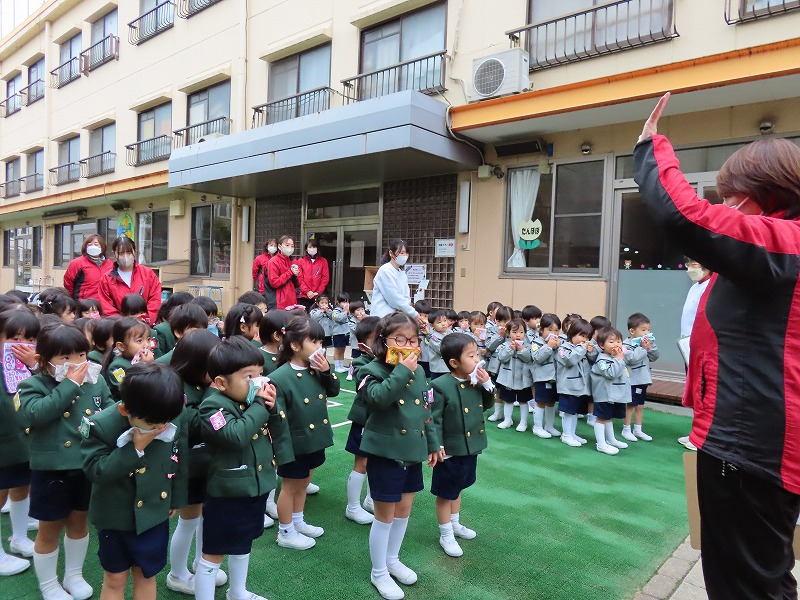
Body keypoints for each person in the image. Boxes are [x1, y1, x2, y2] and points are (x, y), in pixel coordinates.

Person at [635, 91, 800, 599]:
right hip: (751, 435)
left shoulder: (783, 240)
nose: (726, 206)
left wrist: (650, 147)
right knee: (761, 575)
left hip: (751, 446)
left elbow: (683, 215)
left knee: (744, 584)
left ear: (767, 191)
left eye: (733, 195)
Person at [18, 322, 114, 600]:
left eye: (81, 356)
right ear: (43, 360)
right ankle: (49, 584)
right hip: (52, 469)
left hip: (85, 464)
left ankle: (74, 574)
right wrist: (71, 384)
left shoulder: (97, 380)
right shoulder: (32, 384)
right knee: (49, 529)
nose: (76, 364)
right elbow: (36, 414)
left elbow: (107, 410)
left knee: (79, 522)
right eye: (65, 358)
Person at [81, 362, 187, 600]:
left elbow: (180, 458)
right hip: (115, 515)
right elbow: (94, 469)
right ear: (125, 410)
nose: (161, 428)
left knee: (147, 574)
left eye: (165, 422)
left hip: (154, 511)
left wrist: (176, 498)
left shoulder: (170, 413)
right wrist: (133, 449)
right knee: (115, 578)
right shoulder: (101, 425)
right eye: (152, 425)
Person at [196, 337, 291, 600]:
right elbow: (235, 435)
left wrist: (272, 408)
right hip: (228, 491)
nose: (258, 382)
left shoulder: (251, 400)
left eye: (260, 375)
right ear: (220, 382)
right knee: (213, 553)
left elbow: (278, 430)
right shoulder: (212, 406)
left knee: (243, 543)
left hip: (254, 485)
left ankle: (237, 592)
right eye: (249, 376)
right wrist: (260, 405)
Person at [358, 313, 440, 600]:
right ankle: (378, 571)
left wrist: (433, 443)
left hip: (412, 451)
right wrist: (402, 370)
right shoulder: (371, 369)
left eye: (413, 340)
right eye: (399, 339)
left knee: (404, 509)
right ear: (384, 340)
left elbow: (426, 411)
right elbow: (378, 398)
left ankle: (392, 559)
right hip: (385, 452)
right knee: (385, 514)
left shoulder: (418, 370)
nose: (407, 345)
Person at [164, 330, 226, 595]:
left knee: (205, 519)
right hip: (187, 470)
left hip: (207, 466)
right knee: (188, 522)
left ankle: (201, 566)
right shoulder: (176, 388)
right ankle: (177, 574)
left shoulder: (201, 385)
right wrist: (214, 396)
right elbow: (194, 425)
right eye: (210, 368)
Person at [270, 317, 338, 551]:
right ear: (295, 346)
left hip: (313, 440)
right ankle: (286, 531)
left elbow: (334, 391)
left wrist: (327, 371)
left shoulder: (317, 369)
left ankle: (298, 521)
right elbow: (278, 421)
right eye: (313, 341)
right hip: (294, 443)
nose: (319, 346)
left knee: (304, 481)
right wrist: (283, 451)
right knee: (290, 486)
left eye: (321, 341)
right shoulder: (280, 377)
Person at [430, 333, 495, 558]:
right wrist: (436, 444)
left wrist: (487, 384)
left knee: (458, 487)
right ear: (454, 363)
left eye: (477, 354)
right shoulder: (440, 385)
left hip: (470, 446)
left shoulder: (474, 380)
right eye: (471, 356)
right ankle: (445, 533)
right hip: (449, 449)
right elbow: (434, 419)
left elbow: (487, 407)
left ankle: (455, 524)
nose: (477, 359)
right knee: (445, 493)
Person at [0, 309, 40, 576]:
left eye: (29, 339)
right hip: (3, 443)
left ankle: (19, 535)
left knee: (22, 486)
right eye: (13, 338)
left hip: (26, 441)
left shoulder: (33, 366)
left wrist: (34, 364)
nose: (21, 345)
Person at [343, 316, 381, 525]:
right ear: (363, 346)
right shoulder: (360, 363)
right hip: (365, 421)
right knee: (362, 463)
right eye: (378, 340)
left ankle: (370, 499)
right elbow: (365, 387)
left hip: (381, 421)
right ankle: (353, 506)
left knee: (376, 462)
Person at [678, 258, 712, 451]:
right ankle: (695, 433)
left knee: (702, 391)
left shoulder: (712, 285)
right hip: (688, 346)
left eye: (695, 264)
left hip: (701, 348)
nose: (690, 268)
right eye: (688, 264)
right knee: (694, 390)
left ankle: (702, 436)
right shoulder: (695, 287)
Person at [98, 237, 162, 324]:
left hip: (147, 327)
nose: (125, 257)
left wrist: (145, 320)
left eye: (128, 252)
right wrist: (124, 324)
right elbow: (107, 307)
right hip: (120, 328)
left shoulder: (147, 273)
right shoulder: (107, 279)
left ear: (134, 252)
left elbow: (155, 300)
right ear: (114, 253)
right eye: (121, 253)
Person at [590, 327, 631, 456]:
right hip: (604, 395)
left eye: (619, 341)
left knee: (609, 417)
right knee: (601, 418)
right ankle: (601, 444)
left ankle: (611, 439)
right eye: (612, 342)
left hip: (614, 395)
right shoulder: (601, 360)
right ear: (602, 345)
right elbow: (611, 373)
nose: (616, 345)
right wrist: (619, 359)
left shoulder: (617, 357)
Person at [554, 319, 594, 448]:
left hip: (581, 387)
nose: (584, 339)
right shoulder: (563, 348)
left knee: (576, 411)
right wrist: (582, 349)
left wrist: (591, 351)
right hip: (568, 387)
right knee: (569, 411)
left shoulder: (581, 348)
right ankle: (566, 435)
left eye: (587, 337)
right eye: (582, 336)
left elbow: (593, 359)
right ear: (572, 334)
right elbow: (569, 360)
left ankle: (572, 433)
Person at [370, 239, 427, 329]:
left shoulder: (401, 272)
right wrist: (413, 313)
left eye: (406, 253)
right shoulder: (385, 270)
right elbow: (393, 298)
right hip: (382, 319)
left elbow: (405, 296)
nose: (404, 256)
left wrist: (405, 308)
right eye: (401, 253)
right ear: (391, 253)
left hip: (395, 319)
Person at [621, 313, 659, 442]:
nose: (646, 333)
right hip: (632, 380)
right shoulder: (625, 345)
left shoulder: (646, 343)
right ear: (632, 331)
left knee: (640, 405)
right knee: (630, 405)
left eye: (648, 329)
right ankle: (626, 429)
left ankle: (638, 429)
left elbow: (655, 357)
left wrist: (650, 347)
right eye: (643, 330)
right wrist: (642, 348)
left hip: (643, 379)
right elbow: (631, 359)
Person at [494, 317, 533, 431]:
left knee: (523, 401)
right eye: (514, 332)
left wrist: (521, 350)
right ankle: (507, 420)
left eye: (521, 332)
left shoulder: (528, 346)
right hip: (508, 379)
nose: (518, 335)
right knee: (508, 400)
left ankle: (523, 422)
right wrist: (510, 349)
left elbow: (529, 358)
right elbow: (501, 358)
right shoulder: (504, 345)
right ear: (508, 333)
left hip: (523, 379)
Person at [102, 317, 154, 401]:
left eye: (148, 340)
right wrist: (145, 366)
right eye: (139, 341)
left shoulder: (142, 359)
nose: (146, 345)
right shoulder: (116, 367)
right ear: (121, 346)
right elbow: (130, 392)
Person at [530, 313, 562, 439]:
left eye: (556, 330)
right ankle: (537, 427)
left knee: (551, 402)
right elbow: (537, 358)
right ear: (541, 330)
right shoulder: (536, 342)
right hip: (542, 378)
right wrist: (549, 346)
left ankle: (549, 426)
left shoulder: (559, 343)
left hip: (555, 378)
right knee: (541, 402)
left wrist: (558, 348)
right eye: (550, 330)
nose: (553, 333)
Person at [63, 234, 114, 302]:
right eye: (89, 244)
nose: (93, 247)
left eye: (96, 244)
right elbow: (68, 284)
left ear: (102, 246)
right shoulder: (77, 263)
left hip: (105, 305)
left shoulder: (110, 264)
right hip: (84, 305)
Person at [268, 236, 301, 310]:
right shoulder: (273, 261)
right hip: (279, 302)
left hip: (292, 300)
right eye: (287, 245)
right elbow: (274, 282)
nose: (290, 248)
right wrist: (290, 272)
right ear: (279, 246)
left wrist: (296, 276)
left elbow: (299, 283)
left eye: (292, 246)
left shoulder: (294, 261)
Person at [296, 240, 330, 312]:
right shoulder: (301, 261)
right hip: (304, 296)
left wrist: (318, 292)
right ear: (306, 249)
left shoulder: (323, 261)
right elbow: (299, 278)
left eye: (314, 247)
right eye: (310, 247)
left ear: (317, 248)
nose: (312, 249)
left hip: (318, 296)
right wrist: (307, 291)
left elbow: (325, 278)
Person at [252, 239, 278, 310]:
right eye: (271, 245)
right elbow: (255, 273)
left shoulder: (278, 258)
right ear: (266, 246)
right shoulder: (259, 258)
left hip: (274, 287)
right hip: (261, 288)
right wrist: (259, 282)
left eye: (275, 245)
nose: (273, 247)